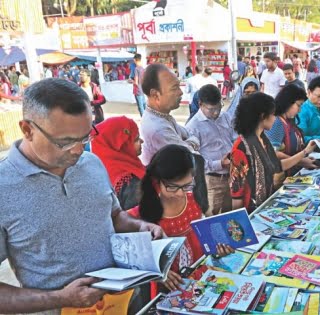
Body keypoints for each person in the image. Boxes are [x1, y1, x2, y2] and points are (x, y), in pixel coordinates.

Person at [0, 78, 162, 314]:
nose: (78, 149)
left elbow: (114, 216)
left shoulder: (92, 163)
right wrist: (60, 298)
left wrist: (139, 227)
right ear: (27, 129)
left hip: (125, 303)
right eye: (64, 142)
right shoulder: (4, 188)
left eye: (86, 136)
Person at [128, 144, 234, 292]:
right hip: (167, 288)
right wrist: (157, 272)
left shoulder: (194, 200)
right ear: (156, 181)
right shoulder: (137, 216)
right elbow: (129, 255)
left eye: (187, 186)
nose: (180, 194)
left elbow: (203, 242)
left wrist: (217, 250)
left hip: (199, 279)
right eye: (172, 187)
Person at [139, 64, 208, 214]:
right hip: (173, 201)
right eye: (174, 88)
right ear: (155, 95)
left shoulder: (163, 117)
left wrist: (189, 142)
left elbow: (190, 135)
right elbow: (189, 154)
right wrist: (190, 143)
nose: (181, 92)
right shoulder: (157, 127)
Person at [230, 92, 317, 213]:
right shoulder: (241, 147)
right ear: (262, 116)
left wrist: (305, 152)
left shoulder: (263, 139)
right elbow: (237, 193)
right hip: (250, 211)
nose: (274, 118)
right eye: (272, 114)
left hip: (265, 206)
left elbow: (277, 166)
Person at [186, 85, 235, 216]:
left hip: (231, 177)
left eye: (219, 107)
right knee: (211, 219)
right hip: (211, 182)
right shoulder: (193, 127)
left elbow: (233, 138)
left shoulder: (225, 117)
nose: (216, 112)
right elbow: (195, 161)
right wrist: (220, 163)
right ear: (200, 104)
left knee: (230, 218)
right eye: (211, 109)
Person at [91, 116, 145, 210]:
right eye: (136, 139)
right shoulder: (131, 183)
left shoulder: (92, 170)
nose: (142, 141)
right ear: (122, 146)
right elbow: (136, 219)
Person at [265, 84, 318, 176]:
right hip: (281, 178)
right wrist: (300, 160)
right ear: (288, 102)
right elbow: (272, 153)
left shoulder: (288, 121)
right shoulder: (276, 122)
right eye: (299, 105)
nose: (300, 110)